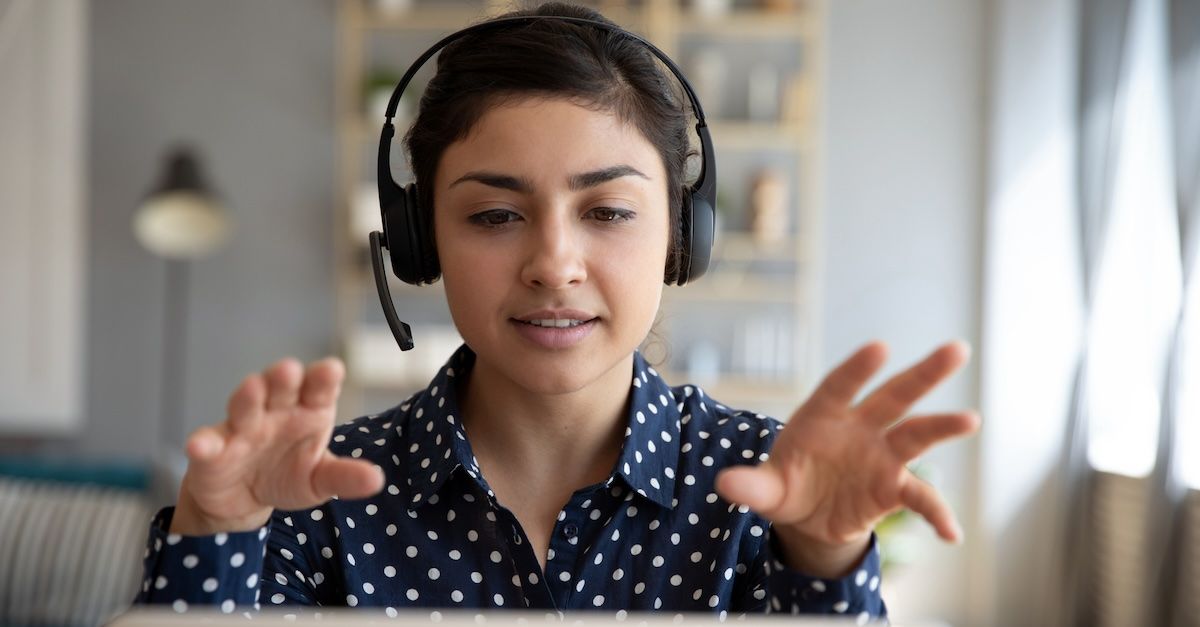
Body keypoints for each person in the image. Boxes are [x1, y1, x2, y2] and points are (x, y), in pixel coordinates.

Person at [134, 2, 978, 622]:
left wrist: (824, 559)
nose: (552, 264)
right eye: (495, 215)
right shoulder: (313, 494)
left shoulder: (768, 489)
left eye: (607, 211)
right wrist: (215, 532)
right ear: (421, 239)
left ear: (683, 236)